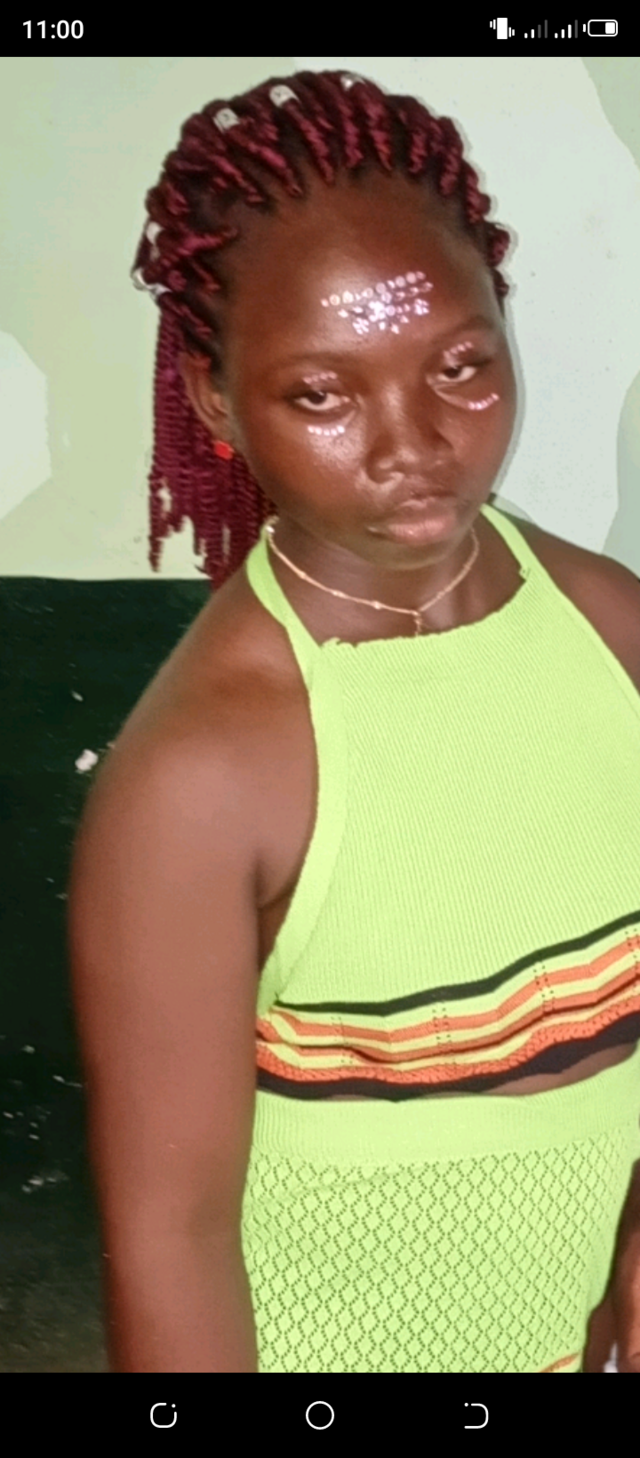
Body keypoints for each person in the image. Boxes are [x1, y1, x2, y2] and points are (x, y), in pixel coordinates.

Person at [67, 69, 640, 1374]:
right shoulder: (205, 774)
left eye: (461, 367)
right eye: (323, 395)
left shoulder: (615, 634)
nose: (414, 444)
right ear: (217, 402)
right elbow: (170, 1238)